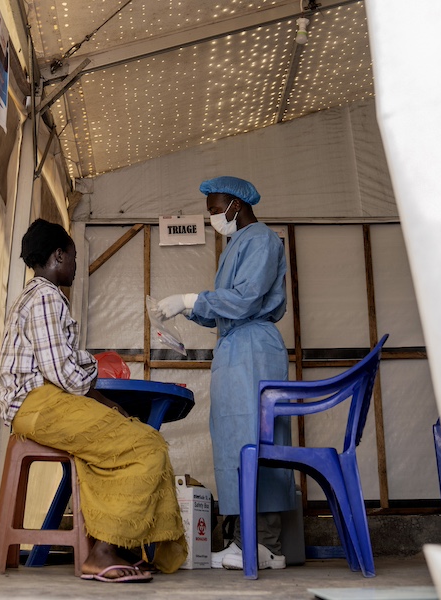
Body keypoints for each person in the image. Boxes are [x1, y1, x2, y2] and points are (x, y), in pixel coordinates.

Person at [0, 219, 188, 583]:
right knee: (145, 445)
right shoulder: (47, 297)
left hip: (40, 404)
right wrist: (91, 370)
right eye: (73, 258)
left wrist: (99, 393)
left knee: (119, 439)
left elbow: (65, 373)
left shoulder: (33, 296)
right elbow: (66, 375)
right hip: (37, 406)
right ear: (58, 255)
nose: (75, 267)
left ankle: (123, 548)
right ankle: (101, 552)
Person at [158, 176, 295, 571]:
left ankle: (264, 543)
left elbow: (246, 298)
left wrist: (191, 298)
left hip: (254, 349)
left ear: (236, 204)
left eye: (216, 210)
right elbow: (223, 307)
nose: (213, 217)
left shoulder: (261, 240)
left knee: (257, 442)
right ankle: (247, 541)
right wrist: (185, 309)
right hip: (236, 348)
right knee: (237, 443)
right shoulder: (237, 245)